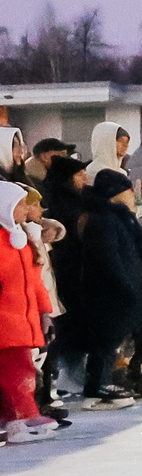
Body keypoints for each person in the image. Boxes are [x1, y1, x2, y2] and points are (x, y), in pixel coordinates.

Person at [73, 168, 142, 408]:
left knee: (117, 338)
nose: (132, 195)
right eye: (129, 190)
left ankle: (112, 380)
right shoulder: (105, 219)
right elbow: (108, 257)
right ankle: (97, 385)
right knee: (106, 340)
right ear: (117, 193)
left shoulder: (119, 217)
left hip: (124, 288)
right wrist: (125, 285)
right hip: (110, 291)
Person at [0, 181, 59, 443]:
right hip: (6, 321)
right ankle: (19, 417)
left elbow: (35, 282)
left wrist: (45, 311)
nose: (26, 209)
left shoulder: (22, 241)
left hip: (22, 320)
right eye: (21, 204)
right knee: (16, 374)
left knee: (21, 371)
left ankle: (21, 414)